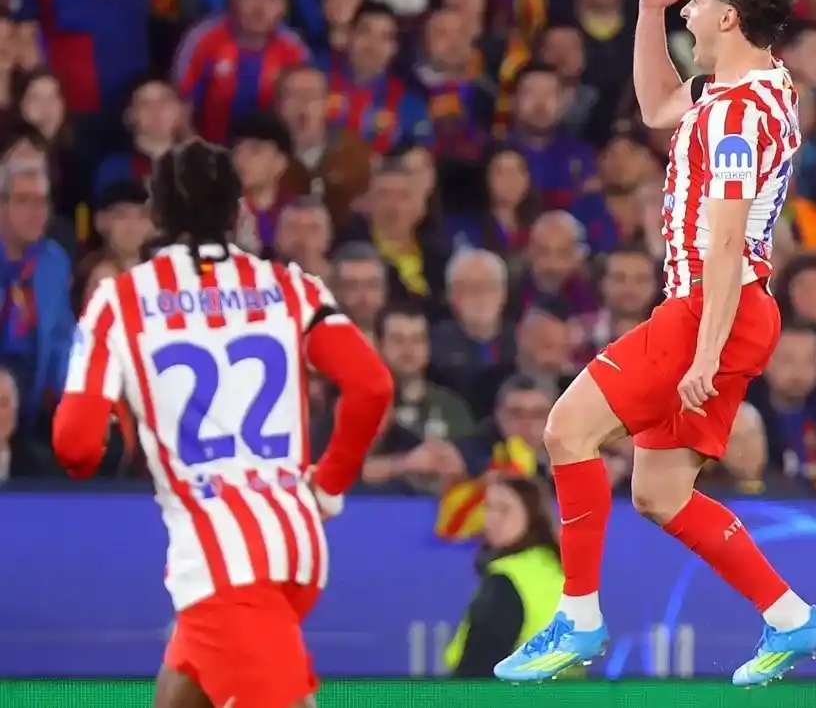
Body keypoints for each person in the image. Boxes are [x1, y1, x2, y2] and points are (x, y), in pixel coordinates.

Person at [493, 0, 816, 687]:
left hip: (714, 307)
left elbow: (723, 245)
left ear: (731, 18)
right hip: (731, 307)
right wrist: (648, 12)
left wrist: (705, 353)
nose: (691, 8)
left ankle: (577, 618)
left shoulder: (735, 118)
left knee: (566, 430)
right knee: (658, 493)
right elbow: (654, 105)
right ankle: (788, 615)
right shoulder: (754, 88)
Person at [49, 140, 395, 708]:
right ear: (238, 211)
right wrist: (328, 484)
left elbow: (76, 447)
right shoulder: (291, 287)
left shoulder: (119, 300)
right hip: (295, 542)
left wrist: (121, 408)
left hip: (221, 563)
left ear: (155, 215)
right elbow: (372, 385)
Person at [444, 475, 566, 678]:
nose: (492, 518)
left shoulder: (506, 577)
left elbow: (480, 664)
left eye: (504, 509)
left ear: (532, 514)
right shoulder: (556, 569)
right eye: (489, 507)